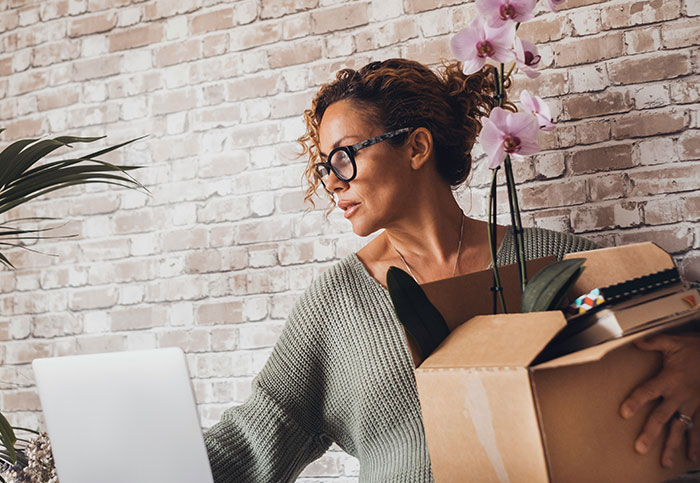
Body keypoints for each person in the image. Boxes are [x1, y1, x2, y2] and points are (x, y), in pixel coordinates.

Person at [204, 58, 700, 482]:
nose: (332, 182)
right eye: (323, 166)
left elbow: (667, 328)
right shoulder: (336, 304)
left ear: (417, 148)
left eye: (343, 156)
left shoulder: (557, 261)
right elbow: (253, 441)